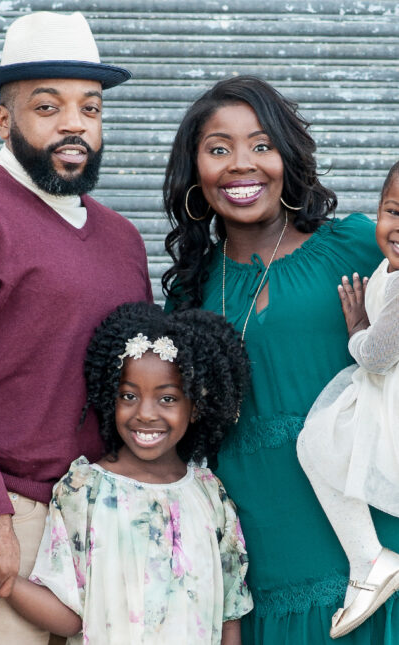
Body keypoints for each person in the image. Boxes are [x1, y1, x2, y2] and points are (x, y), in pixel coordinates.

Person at [162, 75, 399, 644]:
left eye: (261, 145)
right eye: (219, 149)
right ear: (196, 174)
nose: (242, 165)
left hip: (371, 546)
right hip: (262, 553)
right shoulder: (190, 292)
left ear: (288, 159)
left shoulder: (360, 245)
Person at [0, 11, 152, 645]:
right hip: (2, 517)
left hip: (104, 522)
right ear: (3, 119)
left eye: (90, 108)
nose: (74, 123)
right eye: (48, 106)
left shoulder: (124, 240)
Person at [0, 302, 253, 643]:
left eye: (167, 399)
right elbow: (69, 617)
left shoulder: (210, 495)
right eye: (129, 395)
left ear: (195, 406)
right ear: (110, 398)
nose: (145, 413)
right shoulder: (83, 490)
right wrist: (4, 583)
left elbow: (229, 614)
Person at [297, 161, 399, 638]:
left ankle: (370, 560)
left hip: (385, 399)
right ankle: (370, 561)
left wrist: (357, 329)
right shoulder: (389, 271)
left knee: (316, 444)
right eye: (394, 211)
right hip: (380, 398)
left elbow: (377, 358)